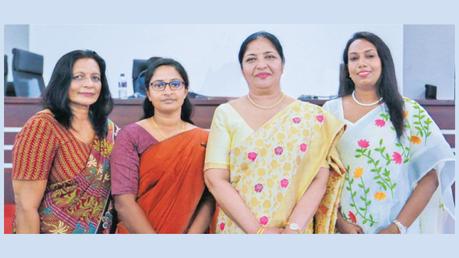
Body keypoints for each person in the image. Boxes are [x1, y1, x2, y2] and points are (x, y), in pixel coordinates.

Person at [204, 31, 346, 234]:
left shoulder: (311, 116)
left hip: (295, 232)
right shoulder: (226, 114)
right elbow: (215, 179)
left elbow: (319, 179)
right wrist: (258, 231)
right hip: (239, 229)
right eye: (251, 59)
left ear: (282, 65)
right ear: (243, 69)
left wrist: (293, 229)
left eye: (270, 57)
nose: (261, 65)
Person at [323, 31, 455, 234]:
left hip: (394, 232)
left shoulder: (408, 112)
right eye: (354, 58)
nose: (361, 63)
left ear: (383, 62)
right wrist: (340, 222)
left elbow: (431, 176)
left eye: (369, 56)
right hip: (341, 230)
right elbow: (319, 173)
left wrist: (397, 228)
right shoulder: (330, 112)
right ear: (347, 68)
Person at [12, 50, 118, 233]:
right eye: (78, 77)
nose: (89, 84)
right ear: (62, 81)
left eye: (95, 78)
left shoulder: (107, 128)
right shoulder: (42, 127)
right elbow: (25, 207)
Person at [111, 58, 214, 233]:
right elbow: (123, 202)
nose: (167, 91)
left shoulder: (204, 139)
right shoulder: (130, 136)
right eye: (159, 85)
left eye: (175, 84)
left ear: (186, 90)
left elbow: (209, 198)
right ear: (148, 93)